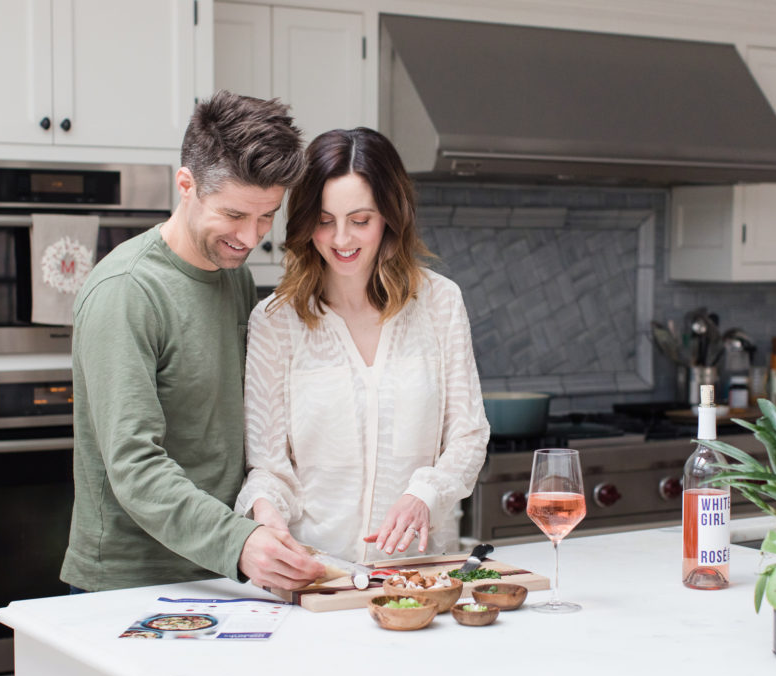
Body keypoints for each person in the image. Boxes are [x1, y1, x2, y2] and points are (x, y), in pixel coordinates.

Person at [60, 91, 324, 592]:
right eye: (233, 215)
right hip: (130, 581)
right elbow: (135, 465)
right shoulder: (127, 292)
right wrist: (239, 543)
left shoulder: (232, 276)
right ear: (186, 184)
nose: (250, 237)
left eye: (266, 215)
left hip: (216, 571)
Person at [235, 127, 489, 563]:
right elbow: (269, 467)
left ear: (390, 215)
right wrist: (265, 511)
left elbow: (468, 437)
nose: (341, 240)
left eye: (360, 220)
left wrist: (423, 494)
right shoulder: (276, 322)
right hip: (317, 573)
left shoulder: (439, 303)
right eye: (324, 220)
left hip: (420, 573)